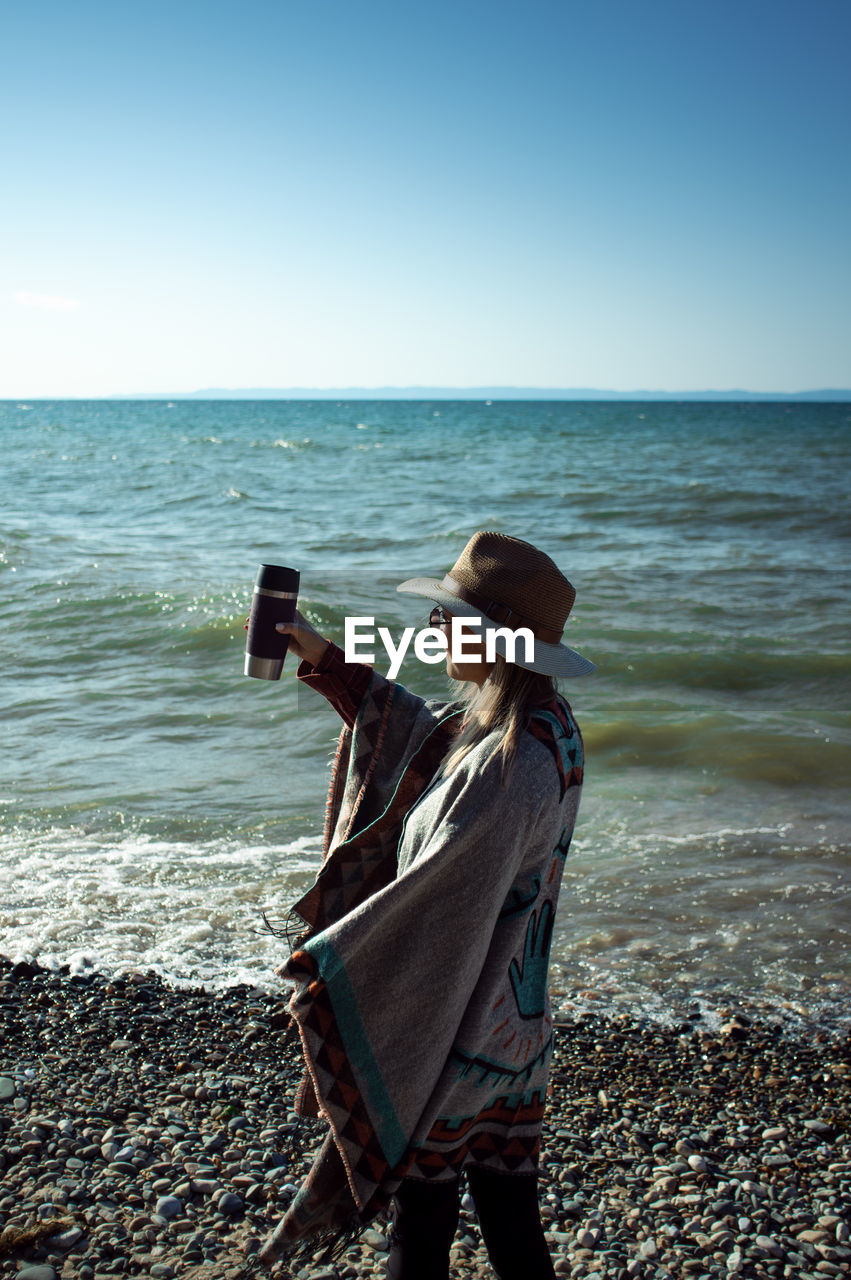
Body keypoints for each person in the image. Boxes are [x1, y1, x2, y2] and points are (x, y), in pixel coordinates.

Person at [258, 531, 595, 1279]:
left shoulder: (511, 767)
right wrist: (324, 658)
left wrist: (328, 965)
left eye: (449, 617)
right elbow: (420, 737)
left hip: (462, 1034)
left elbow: (434, 906)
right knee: (510, 1219)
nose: (433, 629)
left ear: (497, 638)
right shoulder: (543, 726)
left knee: (420, 1226)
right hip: (517, 1027)